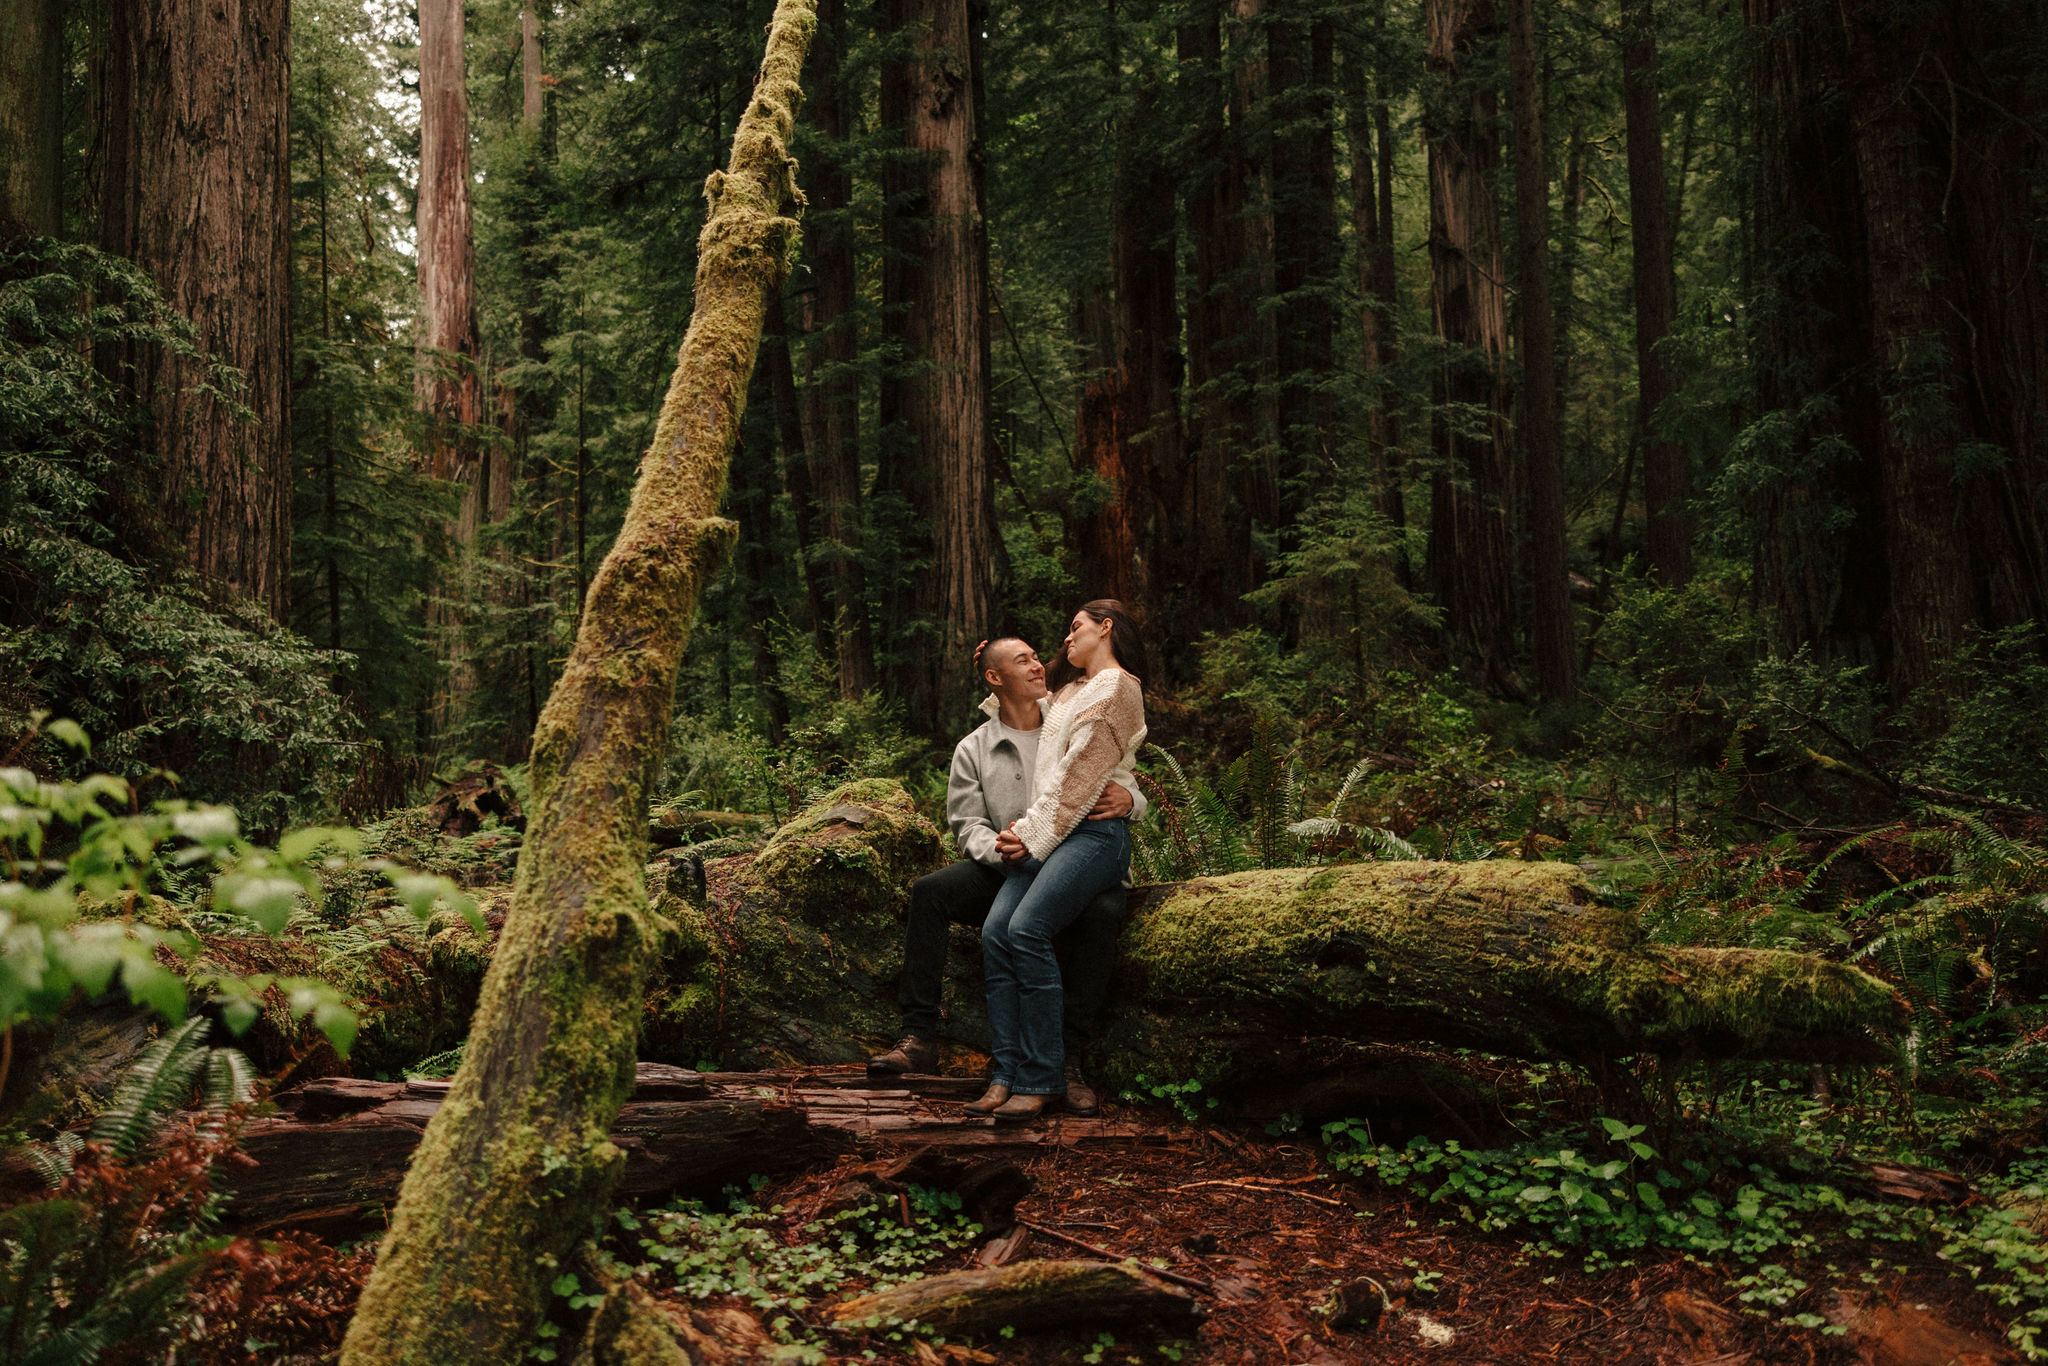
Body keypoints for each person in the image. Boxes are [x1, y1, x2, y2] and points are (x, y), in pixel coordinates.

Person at [867, 635, 1143, 1116]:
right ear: (996, 680)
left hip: (1077, 859)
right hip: (1009, 866)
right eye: (1024, 660)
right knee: (930, 893)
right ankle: (918, 1036)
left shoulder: (1068, 716)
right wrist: (1003, 851)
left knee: (1102, 911)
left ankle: (1068, 1061)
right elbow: (967, 824)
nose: (1039, 665)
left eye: (1037, 657)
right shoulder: (975, 748)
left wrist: (1132, 803)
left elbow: (1117, 775)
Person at [972, 599, 1148, 1123]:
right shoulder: (1070, 692)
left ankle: (1042, 1076)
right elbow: (1023, 705)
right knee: (995, 932)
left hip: (1095, 836)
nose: (1065, 640)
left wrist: (1029, 834)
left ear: (1106, 628)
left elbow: (1081, 771)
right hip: (1056, 834)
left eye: (1076, 628)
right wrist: (999, 668)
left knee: (1027, 928)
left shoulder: (1119, 688)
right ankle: (1004, 1072)